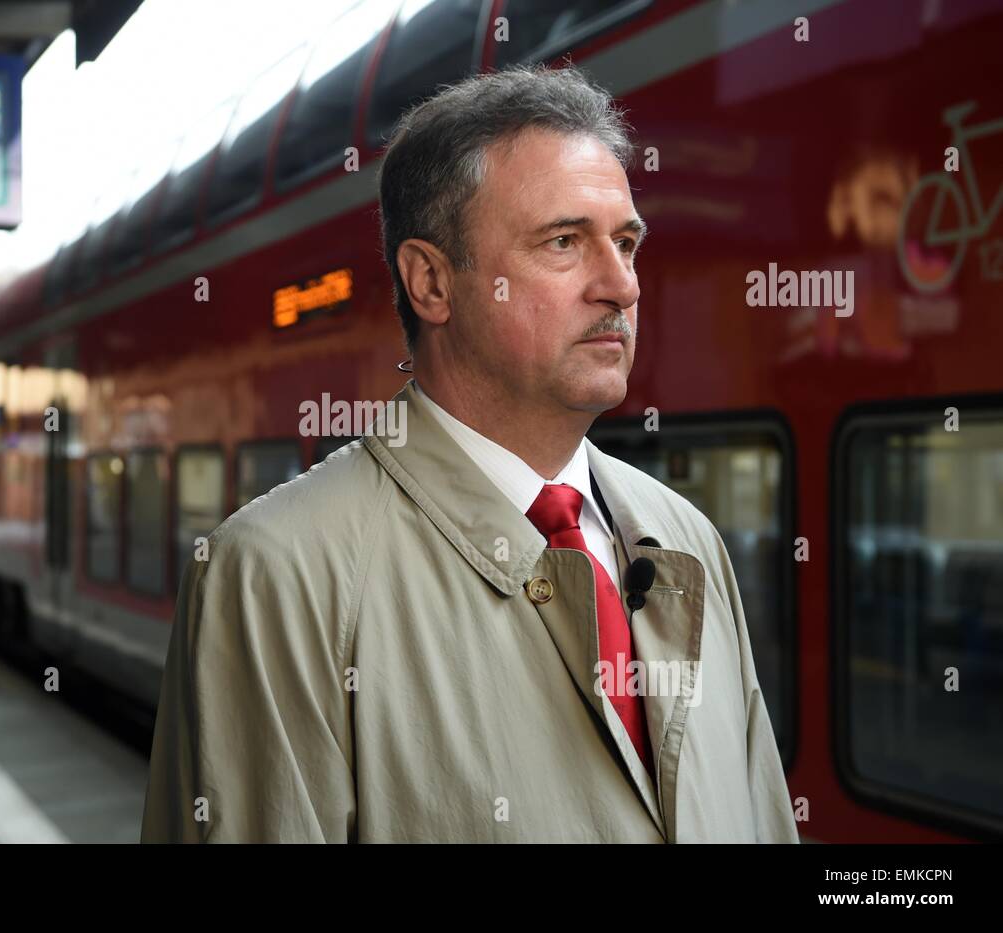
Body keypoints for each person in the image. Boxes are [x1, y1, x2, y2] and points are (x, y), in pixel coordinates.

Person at [141, 64, 797, 842]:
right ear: (431, 282)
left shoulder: (689, 539)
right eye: (564, 241)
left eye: (626, 243)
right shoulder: (274, 576)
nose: (622, 285)